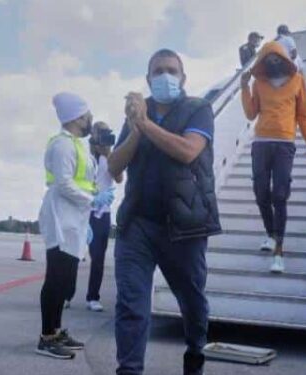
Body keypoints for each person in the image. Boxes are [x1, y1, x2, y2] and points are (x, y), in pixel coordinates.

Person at [109, 49, 221, 375]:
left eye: (171, 70)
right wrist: (135, 129)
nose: (164, 76)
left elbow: (187, 151)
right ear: (147, 78)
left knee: (192, 302)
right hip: (137, 224)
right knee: (131, 305)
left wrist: (144, 123)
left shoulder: (198, 109)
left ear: (183, 78)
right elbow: (115, 167)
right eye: (157, 71)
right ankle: (129, 370)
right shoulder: (136, 116)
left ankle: (195, 353)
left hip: (185, 227)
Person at [37, 92, 114, 360]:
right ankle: (47, 337)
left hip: (75, 219)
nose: (90, 119)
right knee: (56, 279)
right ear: (77, 117)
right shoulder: (62, 145)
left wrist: (87, 213)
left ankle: (56, 331)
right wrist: (94, 201)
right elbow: (64, 184)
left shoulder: (79, 145)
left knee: (67, 278)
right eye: (87, 114)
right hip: (61, 218)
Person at [240, 41, 306, 273]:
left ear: (284, 60)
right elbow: (250, 113)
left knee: (280, 194)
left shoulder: (298, 81)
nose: (273, 63)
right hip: (261, 143)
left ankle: (279, 252)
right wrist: (244, 88)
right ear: (263, 62)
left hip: (285, 144)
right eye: (269, 59)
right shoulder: (259, 83)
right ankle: (270, 234)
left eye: (277, 59)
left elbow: (304, 116)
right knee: (260, 192)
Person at [85, 122, 123, 312]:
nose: (104, 138)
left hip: (102, 213)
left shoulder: (112, 156)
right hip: (83, 210)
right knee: (73, 254)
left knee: (98, 257)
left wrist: (109, 155)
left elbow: (119, 178)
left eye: (107, 134)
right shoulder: (85, 154)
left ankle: (93, 297)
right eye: (100, 134)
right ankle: (66, 294)